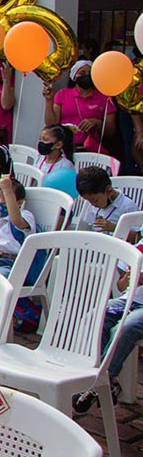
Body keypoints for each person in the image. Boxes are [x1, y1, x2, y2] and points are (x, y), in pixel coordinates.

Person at [72, 241, 143, 413]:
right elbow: (120, 286)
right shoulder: (140, 246)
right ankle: (103, 381)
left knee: (124, 328)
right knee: (94, 317)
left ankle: (100, 380)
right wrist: (130, 278)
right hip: (128, 300)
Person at [44, 60, 116, 153]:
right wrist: (49, 101)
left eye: (90, 73)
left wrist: (97, 122)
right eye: (82, 73)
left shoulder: (105, 98)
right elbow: (51, 124)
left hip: (90, 149)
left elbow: (111, 132)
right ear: (74, 77)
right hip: (64, 147)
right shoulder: (63, 94)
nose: (86, 76)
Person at [76, 165, 139, 234]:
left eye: (96, 200)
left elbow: (138, 237)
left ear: (109, 191)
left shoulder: (127, 206)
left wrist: (115, 228)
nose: (92, 205)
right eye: (88, 201)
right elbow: (85, 227)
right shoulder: (91, 201)